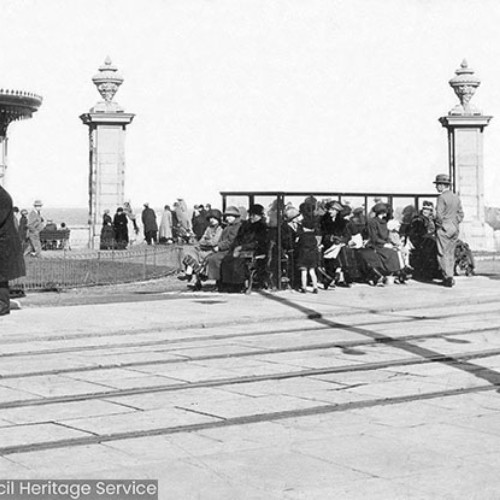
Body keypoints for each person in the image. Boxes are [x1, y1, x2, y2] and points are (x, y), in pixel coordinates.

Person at [220, 204, 268, 291]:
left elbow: (259, 242)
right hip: (241, 249)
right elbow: (239, 237)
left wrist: (241, 247)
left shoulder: (262, 227)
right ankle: (228, 284)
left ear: (260, 216)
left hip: (255, 250)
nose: (252, 217)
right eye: (251, 215)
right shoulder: (246, 225)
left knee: (238, 261)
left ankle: (238, 285)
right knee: (227, 259)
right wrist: (235, 247)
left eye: (254, 215)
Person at [178, 209, 223, 290]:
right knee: (190, 252)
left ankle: (191, 276)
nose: (212, 220)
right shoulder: (208, 228)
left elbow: (214, 242)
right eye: (210, 218)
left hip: (212, 251)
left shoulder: (220, 229)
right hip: (203, 249)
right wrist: (206, 241)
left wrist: (206, 241)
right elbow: (201, 240)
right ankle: (189, 274)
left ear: (218, 219)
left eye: (214, 218)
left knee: (196, 258)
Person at [433, 173, 464, 287]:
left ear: (442, 185)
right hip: (455, 228)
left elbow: (439, 215)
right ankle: (450, 275)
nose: (436, 187)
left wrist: (441, 226)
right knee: (450, 253)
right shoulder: (456, 197)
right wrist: (455, 223)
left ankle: (448, 277)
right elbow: (461, 213)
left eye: (437, 185)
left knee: (442, 253)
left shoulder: (441, 197)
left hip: (445, 228)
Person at [0, 185, 26, 315]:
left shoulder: (2, 197)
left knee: (1, 276)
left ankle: (3, 306)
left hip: (4, 244)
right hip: (3, 242)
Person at [203, 206, 242, 283]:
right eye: (226, 216)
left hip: (232, 250)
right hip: (227, 249)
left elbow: (231, 241)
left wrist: (219, 246)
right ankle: (220, 280)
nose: (227, 218)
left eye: (229, 216)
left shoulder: (236, 226)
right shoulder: (230, 226)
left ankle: (221, 281)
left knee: (215, 258)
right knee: (210, 257)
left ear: (235, 216)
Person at [296, 217, 320, 294]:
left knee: (304, 272)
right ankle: (315, 287)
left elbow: (298, 244)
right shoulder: (314, 237)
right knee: (312, 272)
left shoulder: (302, 236)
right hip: (312, 256)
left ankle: (304, 287)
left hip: (303, 255)